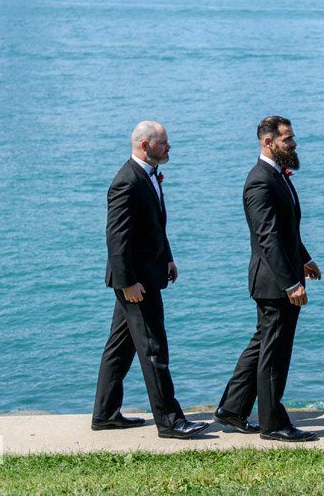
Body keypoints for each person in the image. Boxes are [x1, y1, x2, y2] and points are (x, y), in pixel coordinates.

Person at [92, 121, 208, 439]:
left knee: (120, 347)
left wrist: (167, 257)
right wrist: (127, 283)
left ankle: (104, 413)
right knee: (154, 348)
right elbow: (116, 238)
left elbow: (154, 225)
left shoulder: (147, 176)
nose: (169, 147)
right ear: (146, 145)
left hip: (148, 274)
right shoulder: (126, 181)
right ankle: (170, 421)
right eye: (163, 143)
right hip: (135, 283)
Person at [214, 116, 321, 442]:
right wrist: (291, 283)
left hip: (282, 275)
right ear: (268, 142)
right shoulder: (259, 181)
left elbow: (286, 229)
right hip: (274, 283)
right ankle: (273, 423)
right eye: (288, 139)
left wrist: (304, 258)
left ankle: (232, 408)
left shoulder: (278, 177)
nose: (294, 144)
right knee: (274, 353)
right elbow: (268, 238)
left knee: (262, 344)